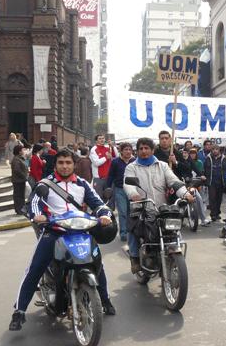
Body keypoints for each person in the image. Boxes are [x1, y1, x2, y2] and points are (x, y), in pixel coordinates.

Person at [8, 149, 116, 331]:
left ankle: (104, 300)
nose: (65, 166)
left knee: (97, 264)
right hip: (54, 232)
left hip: (80, 232)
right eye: (61, 163)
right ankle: (19, 311)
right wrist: (38, 215)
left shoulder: (82, 184)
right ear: (56, 165)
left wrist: (105, 214)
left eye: (68, 162)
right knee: (35, 268)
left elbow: (97, 203)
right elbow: (34, 202)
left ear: (74, 165)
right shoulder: (45, 184)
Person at [123, 137, 194, 273]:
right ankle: (135, 258)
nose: (144, 151)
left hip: (162, 208)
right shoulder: (131, 167)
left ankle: (173, 252)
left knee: (173, 231)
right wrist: (134, 195)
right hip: (141, 207)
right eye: (141, 148)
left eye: (146, 148)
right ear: (137, 151)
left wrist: (185, 194)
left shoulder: (162, 165)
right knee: (133, 228)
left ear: (152, 150)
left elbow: (174, 181)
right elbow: (127, 185)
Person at [106, 142, 133, 242]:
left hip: (132, 190)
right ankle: (123, 233)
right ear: (121, 151)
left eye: (130, 149)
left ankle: (131, 231)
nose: (128, 151)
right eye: (126, 149)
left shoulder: (134, 161)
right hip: (119, 190)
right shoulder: (115, 162)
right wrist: (108, 188)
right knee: (122, 212)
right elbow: (110, 176)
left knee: (131, 212)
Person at [204, 144, 226, 222]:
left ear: (219, 150)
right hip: (212, 182)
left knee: (219, 198)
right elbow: (205, 169)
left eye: (216, 149)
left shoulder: (223, 158)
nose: (215, 151)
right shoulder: (208, 158)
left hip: (221, 181)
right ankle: (213, 214)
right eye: (213, 149)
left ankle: (217, 213)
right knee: (212, 198)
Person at [10, 144, 28, 215]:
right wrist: (24, 176)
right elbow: (17, 170)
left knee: (21, 195)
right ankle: (19, 209)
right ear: (19, 151)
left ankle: (22, 209)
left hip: (21, 180)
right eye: (22, 150)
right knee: (18, 196)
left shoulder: (20, 158)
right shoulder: (16, 159)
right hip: (18, 180)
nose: (24, 151)